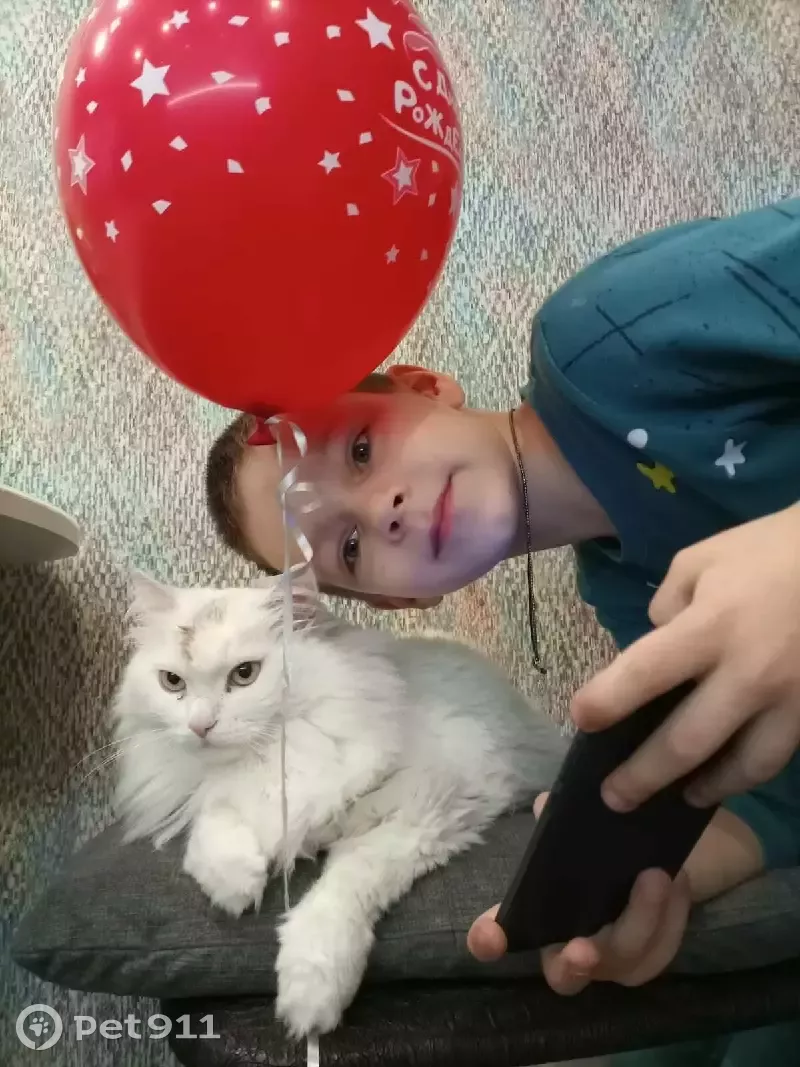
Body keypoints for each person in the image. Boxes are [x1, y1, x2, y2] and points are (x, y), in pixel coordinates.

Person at [205, 197, 800, 1064]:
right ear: (403, 605)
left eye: (361, 450)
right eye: (349, 547)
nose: (383, 510)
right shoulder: (629, 593)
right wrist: (690, 861)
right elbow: (780, 792)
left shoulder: (603, 332)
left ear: (425, 384)